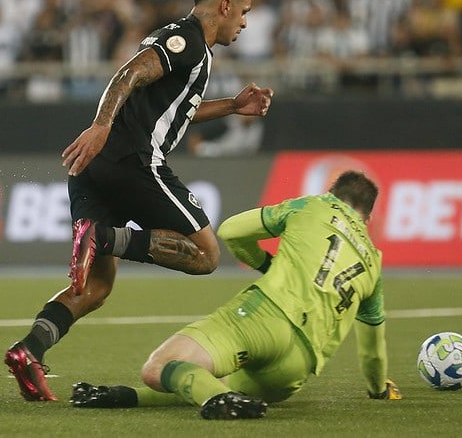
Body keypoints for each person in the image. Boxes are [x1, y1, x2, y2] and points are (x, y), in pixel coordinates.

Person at [5, 0, 274, 401]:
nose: (244, 22)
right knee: (206, 255)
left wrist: (231, 106)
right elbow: (128, 74)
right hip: (132, 161)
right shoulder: (187, 39)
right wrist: (100, 126)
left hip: (94, 168)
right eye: (243, 12)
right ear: (225, 5)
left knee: (95, 287)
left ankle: (29, 350)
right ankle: (103, 237)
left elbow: (175, 109)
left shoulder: (189, 46)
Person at [70, 170, 402, 419]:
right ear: (368, 217)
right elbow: (373, 349)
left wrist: (265, 264)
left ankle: (215, 400)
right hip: (296, 369)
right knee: (214, 382)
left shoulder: (314, 205)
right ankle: (123, 396)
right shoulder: (373, 262)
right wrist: (378, 389)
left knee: (160, 366)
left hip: (265, 317)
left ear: (331, 194)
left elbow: (231, 231)